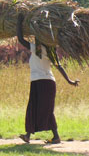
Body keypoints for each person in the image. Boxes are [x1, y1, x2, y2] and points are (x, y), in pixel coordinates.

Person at [16, 13, 79, 144]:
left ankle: (56, 137)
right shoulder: (41, 49)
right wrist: (69, 81)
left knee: (46, 110)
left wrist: (19, 23)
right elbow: (59, 66)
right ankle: (28, 135)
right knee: (33, 107)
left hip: (45, 82)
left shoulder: (41, 49)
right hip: (36, 82)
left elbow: (21, 40)